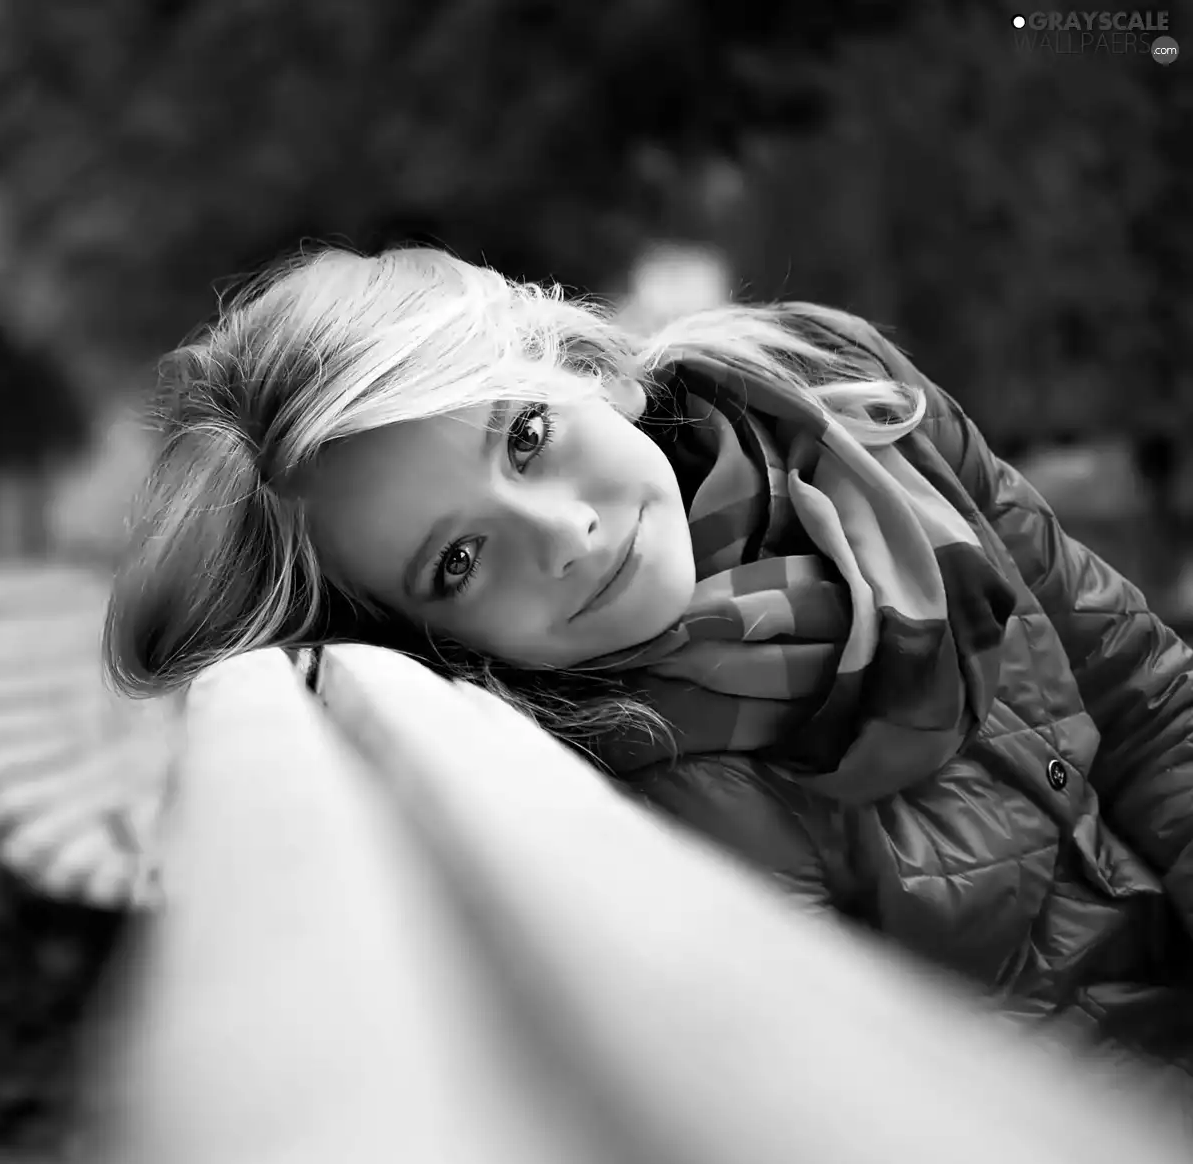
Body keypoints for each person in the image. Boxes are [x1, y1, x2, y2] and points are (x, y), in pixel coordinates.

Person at [102, 244, 1193, 1075]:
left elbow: (1143, 696)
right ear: (436, 637)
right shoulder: (649, 793)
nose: (564, 535)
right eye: (461, 561)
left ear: (583, 368)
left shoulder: (850, 412)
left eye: (525, 437)